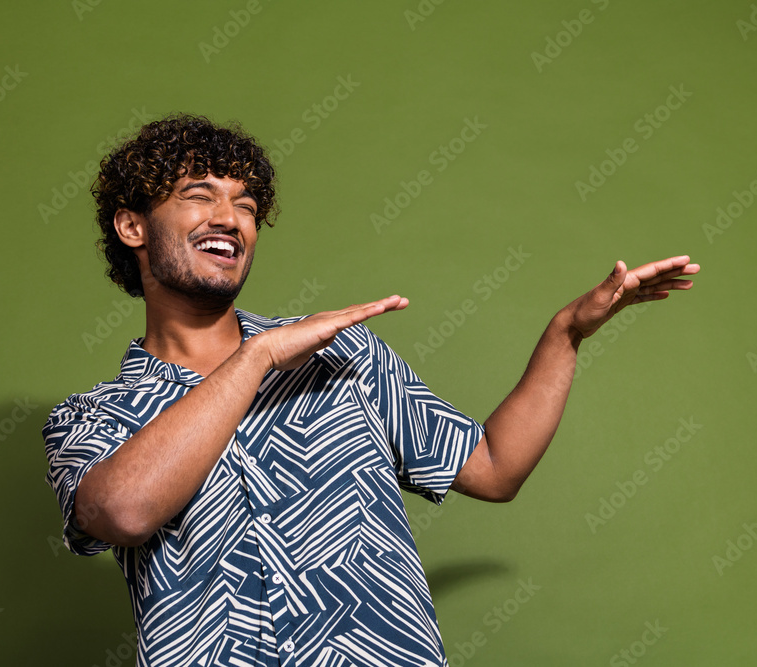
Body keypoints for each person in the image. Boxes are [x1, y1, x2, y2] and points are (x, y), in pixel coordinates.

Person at [42, 113, 699, 667]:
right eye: (199, 194)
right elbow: (122, 511)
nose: (231, 218)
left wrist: (567, 333)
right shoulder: (94, 418)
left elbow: (495, 467)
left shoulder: (343, 354)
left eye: (245, 203)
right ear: (132, 227)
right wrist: (259, 356)